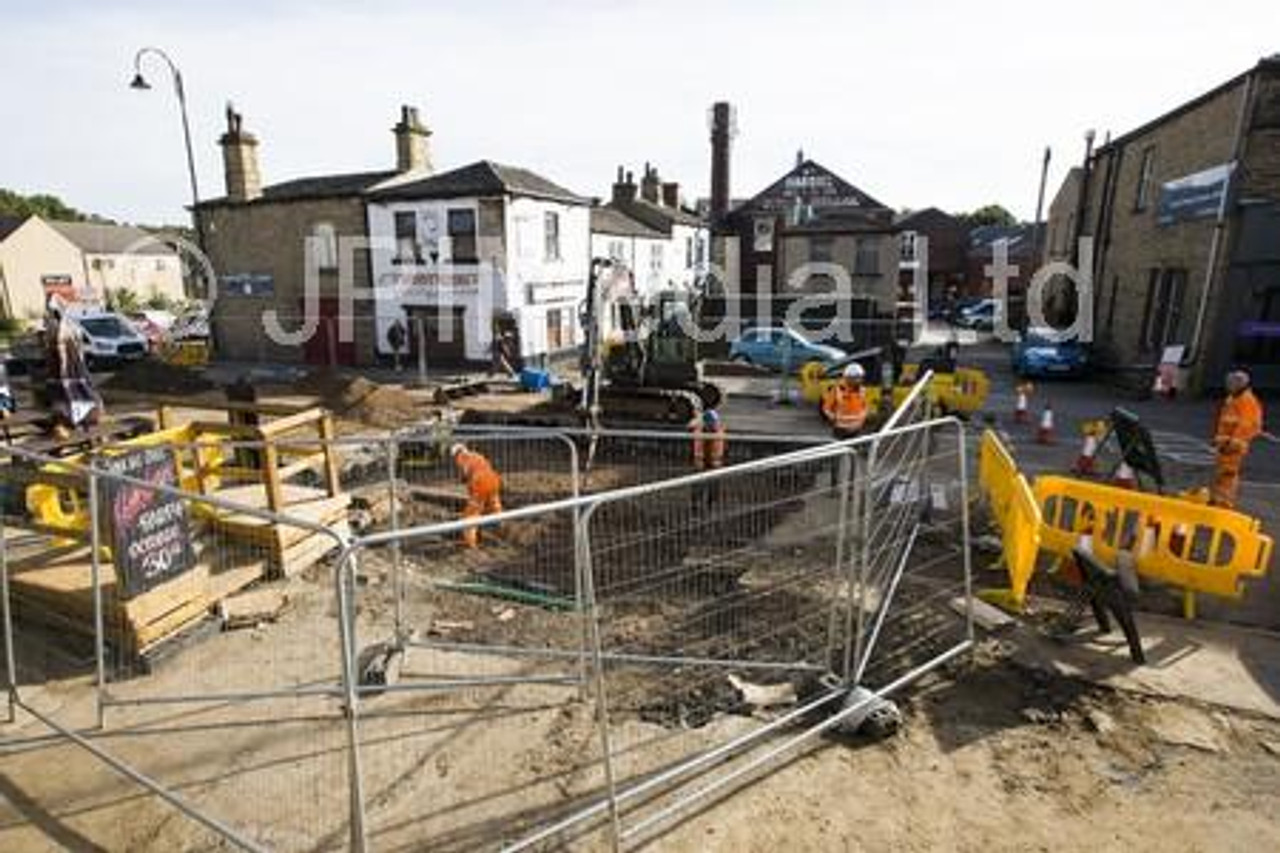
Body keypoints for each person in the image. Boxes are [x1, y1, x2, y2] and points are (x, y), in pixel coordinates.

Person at [43, 299, 103, 436]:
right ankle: (74, 424)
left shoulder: (66, 327)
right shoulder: (57, 328)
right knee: (66, 393)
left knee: (75, 392)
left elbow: (75, 348)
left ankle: (81, 424)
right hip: (62, 369)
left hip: (72, 367)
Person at [1210, 369, 1264, 509]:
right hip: (1226, 442)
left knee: (1228, 473)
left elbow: (1246, 425)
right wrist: (1219, 439)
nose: (1228, 386)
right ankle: (1217, 499)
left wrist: (1232, 442)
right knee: (1221, 472)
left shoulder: (1246, 401)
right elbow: (1225, 421)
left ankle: (1224, 501)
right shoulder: (1233, 399)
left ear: (1239, 384)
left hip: (1234, 444)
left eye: (1231, 383)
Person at [451, 443, 503, 548]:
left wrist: (465, 479)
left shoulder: (461, 457)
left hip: (480, 483)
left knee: (471, 515)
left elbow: (466, 471)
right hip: (494, 480)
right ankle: (501, 526)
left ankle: (470, 543)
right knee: (494, 504)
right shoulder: (477, 455)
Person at [822, 363, 869, 440]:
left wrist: (863, 418)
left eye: (860, 378)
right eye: (856, 378)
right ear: (848, 378)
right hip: (841, 430)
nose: (859, 380)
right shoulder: (837, 390)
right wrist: (833, 418)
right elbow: (826, 408)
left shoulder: (862, 390)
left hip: (857, 429)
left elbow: (865, 407)